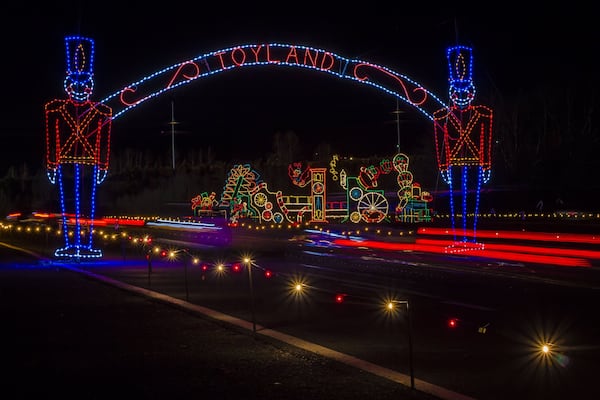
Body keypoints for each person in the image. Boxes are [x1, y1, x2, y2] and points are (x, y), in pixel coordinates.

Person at [44, 36, 112, 258]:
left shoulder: (101, 111)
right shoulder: (55, 110)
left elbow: (103, 139)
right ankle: (68, 244)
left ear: (91, 85)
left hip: (90, 161)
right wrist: (51, 164)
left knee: (88, 205)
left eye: (85, 83)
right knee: (67, 207)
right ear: (68, 84)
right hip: (64, 161)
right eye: (75, 83)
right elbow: (52, 138)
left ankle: (87, 244)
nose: (80, 88)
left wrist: (103, 166)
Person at [433, 45, 493, 249]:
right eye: (456, 91)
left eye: (465, 91)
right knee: (456, 202)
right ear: (451, 91)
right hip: (455, 164)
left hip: (475, 163)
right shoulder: (442, 116)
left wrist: (486, 165)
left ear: (471, 91)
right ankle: (459, 237)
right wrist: (443, 167)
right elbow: (443, 142)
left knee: (473, 202)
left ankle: (472, 237)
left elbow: (485, 139)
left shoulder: (483, 114)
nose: (461, 95)